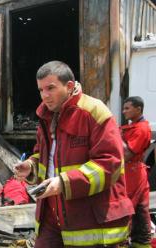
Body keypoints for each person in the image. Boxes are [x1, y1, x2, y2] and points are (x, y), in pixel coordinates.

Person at [14, 61, 134, 247]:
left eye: (50, 88)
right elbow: (43, 156)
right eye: (41, 90)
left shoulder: (94, 111)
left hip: (89, 217)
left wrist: (63, 183)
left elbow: (110, 164)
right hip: (51, 214)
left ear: (69, 86)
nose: (45, 96)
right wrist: (30, 167)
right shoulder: (46, 116)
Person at [120, 96, 151, 247]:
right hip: (133, 171)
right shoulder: (133, 127)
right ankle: (141, 242)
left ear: (138, 109)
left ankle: (123, 242)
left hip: (133, 173)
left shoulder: (141, 129)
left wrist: (114, 135)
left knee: (125, 208)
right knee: (140, 211)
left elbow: (127, 154)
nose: (123, 111)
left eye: (127, 108)